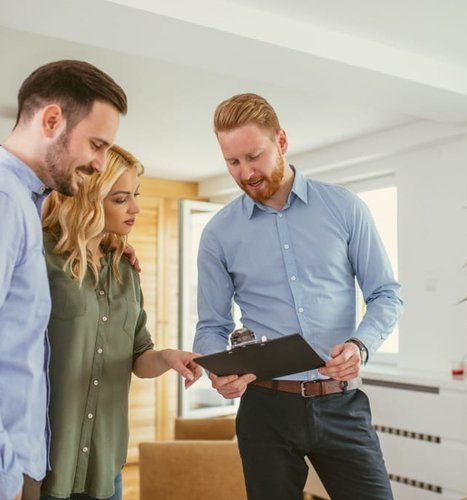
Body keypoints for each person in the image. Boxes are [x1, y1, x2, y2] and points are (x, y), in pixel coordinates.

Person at [194, 93, 403, 500]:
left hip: (341, 405)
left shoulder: (344, 208)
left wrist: (361, 345)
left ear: (282, 141)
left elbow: (385, 294)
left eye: (253, 156)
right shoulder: (219, 233)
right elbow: (212, 326)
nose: (245, 173)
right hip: (265, 409)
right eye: (232, 162)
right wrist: (218, 371)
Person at [39, 145, 202, 500]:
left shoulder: (126, 270)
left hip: (105, 464)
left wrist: (166, 357)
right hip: (44, 464)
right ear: (86, 199)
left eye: (136, 197)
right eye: (120, 199)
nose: (135, 209)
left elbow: (138, 356)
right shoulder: (38, 255)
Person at [0, 60, 127, 500]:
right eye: (96, 144)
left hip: (27, 463)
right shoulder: (4, 202)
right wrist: (8, 476)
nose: (99, 163)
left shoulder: (27, 205)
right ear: (52, 120)